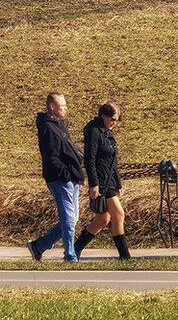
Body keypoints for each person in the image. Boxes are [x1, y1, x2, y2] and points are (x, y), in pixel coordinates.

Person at [27, 93, 85, 262]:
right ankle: (70, 255)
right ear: (52, 106)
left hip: (72, 177)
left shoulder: (60, 125)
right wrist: (65, 173)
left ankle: (39, 246)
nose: (65, 109)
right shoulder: (47, 127)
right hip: (60, 178)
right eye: (62, 106)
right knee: (68, 219)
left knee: (73, 219)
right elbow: (51, 155)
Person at [75, 103, 130, 259]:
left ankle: (75, 250)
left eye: (117, 120)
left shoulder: (108, 133)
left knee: (102, 219)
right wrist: (94, 183)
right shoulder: (94, 132)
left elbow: (113, 161)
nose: (114, 123)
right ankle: (125, 256)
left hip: (110, 181)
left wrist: (118, 183)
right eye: (112, 119)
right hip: (100, 181)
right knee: (118, 214)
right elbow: (90, 159)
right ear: (103, 116)